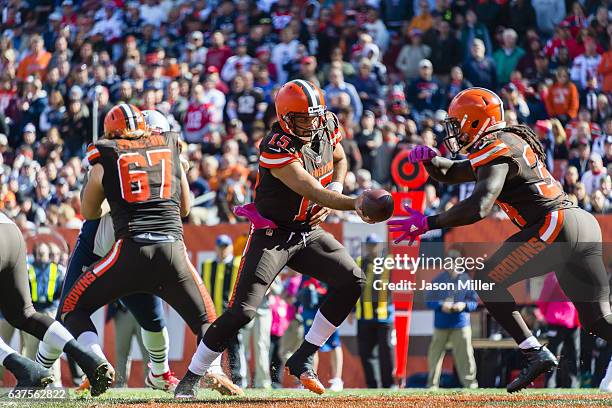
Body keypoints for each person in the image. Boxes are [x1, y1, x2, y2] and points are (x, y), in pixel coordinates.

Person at [390, 87, 611, 393]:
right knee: (599, 320)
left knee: (487, 280)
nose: (453, 131)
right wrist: (431, 162)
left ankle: (534, 352)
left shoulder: (496, 146)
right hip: (580, 223)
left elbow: (480, 205)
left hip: (555, 224)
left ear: (476, 121)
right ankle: (535, 352)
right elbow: (454, 172)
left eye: (457, 123)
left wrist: (429, 222)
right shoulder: (504, 142)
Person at [175, 79, 372, 397]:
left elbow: (339, 158)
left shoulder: (326, 124)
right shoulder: (276, 146)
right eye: (303, 119)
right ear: (285, 118)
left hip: (309, 231)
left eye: (314, 117)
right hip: (273, 234)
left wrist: (338, 187)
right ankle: (191, 377)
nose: (311, 124)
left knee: (353, 280)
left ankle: (304, 356)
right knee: (242, 311)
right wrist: (355, 203)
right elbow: (313, 191)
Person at [59, 104, 242, 397]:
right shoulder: (164, 152)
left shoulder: (113, 154)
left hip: (126, 248)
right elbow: (184, 208)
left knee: (74, 309)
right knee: (204, 319)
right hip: (161, 248)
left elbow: (90, 209)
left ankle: (108, 365)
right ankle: (210, 369)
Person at [36, 111, 187, 393]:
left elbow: (182, 208)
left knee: (152, 316)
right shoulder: (113, 158)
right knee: (68, 313)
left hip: (128, 249)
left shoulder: (160, 162)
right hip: (98, 247)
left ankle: (159, 372)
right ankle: (42, 371)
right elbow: (91, 209)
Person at [0, 209, 111, 392]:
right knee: (25, 315)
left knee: (23, 315)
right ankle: (87, 358)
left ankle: (26, 369)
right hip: (11, 231)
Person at [425, 250, 478, 389]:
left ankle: (470, 384)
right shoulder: (438, 280)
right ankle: (432, 385)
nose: (452, 265)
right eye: (449, 262)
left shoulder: (467, 280)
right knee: (435, 356)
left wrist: (463, 305)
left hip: (460, 324)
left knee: (465, 356)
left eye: (455, 262)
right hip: (441, 324)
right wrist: (441, 305)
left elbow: (474, 302)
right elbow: (429, 300)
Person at [201, 234, 245, 387]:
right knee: (209, 349)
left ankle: (238, 382)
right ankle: (209, 381)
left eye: (225, 247)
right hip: (212, 317)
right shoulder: (207, 265)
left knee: (234, 349)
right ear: (215, 248)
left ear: (231, 248)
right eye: (220, 247)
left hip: (230, 316)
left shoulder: (238, 264)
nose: (222, 250)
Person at [21, 242, 65, 386]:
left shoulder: (57, 270)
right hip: (33, 311)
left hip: (50, 312)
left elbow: (61, 291)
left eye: (43, 254)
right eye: (39, 254)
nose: (41, 257)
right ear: (34, 255)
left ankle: (56, 385)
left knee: (53, 350)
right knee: (31, 351)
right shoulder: (29, 269)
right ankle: (31, 383)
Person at [355, 234, 395, 389]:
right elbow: (354, 288)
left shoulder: (389, 262)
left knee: (386, 352)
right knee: (366, 354)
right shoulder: (359, 263)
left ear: (381, 246)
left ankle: (389, 384)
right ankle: (372, 385)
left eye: (375, 245)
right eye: (370, 245)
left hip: (385, 315)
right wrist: (351, 310)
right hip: (364, 316)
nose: (372, 248)